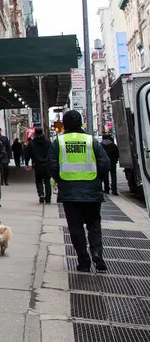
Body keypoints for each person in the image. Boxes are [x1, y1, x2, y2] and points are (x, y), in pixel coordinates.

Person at [50, 110, 112, 273]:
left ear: (64, 124)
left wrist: (62, 180)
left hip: (70, 192)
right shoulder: (91, 141)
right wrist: (97, 179)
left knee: (75, 227)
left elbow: (52, 165)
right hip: (92, 190)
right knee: (94, 223)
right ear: (81, 123)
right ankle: (97, 253)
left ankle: (83, 260)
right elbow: (105, 163)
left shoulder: (59, 142)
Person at [26, 127, 54, 204]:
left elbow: (27, 153)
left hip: (37, 164)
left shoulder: (32, 143)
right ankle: (48, 198)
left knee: (38, 181)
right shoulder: (48, 142)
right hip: (47, 165)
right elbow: (52, 153)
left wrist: (26, 163)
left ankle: (41, 194)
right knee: (47, 182)